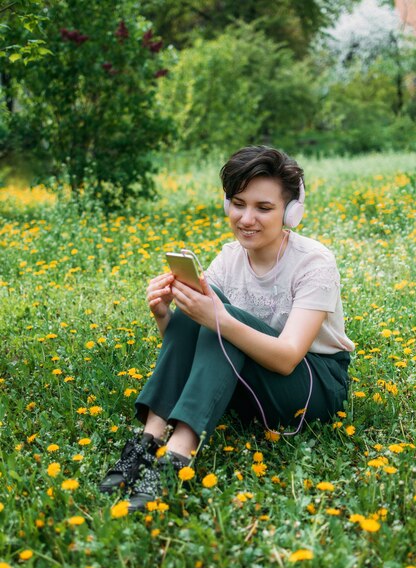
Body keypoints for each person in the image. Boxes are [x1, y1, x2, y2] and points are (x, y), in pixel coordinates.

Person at [99, 145, 355, 511]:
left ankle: (178, 454)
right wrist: (163, 315)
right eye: (238, 203)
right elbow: (193, 346)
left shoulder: (315, 263)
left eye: (263, 208)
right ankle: (150, 438)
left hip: (312, 384)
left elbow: (285, 359)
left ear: (291, 212)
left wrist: (219, 318)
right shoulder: (228, 257)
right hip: (249, 381)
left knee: (224, 316)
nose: (247, 218)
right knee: (204, 297)